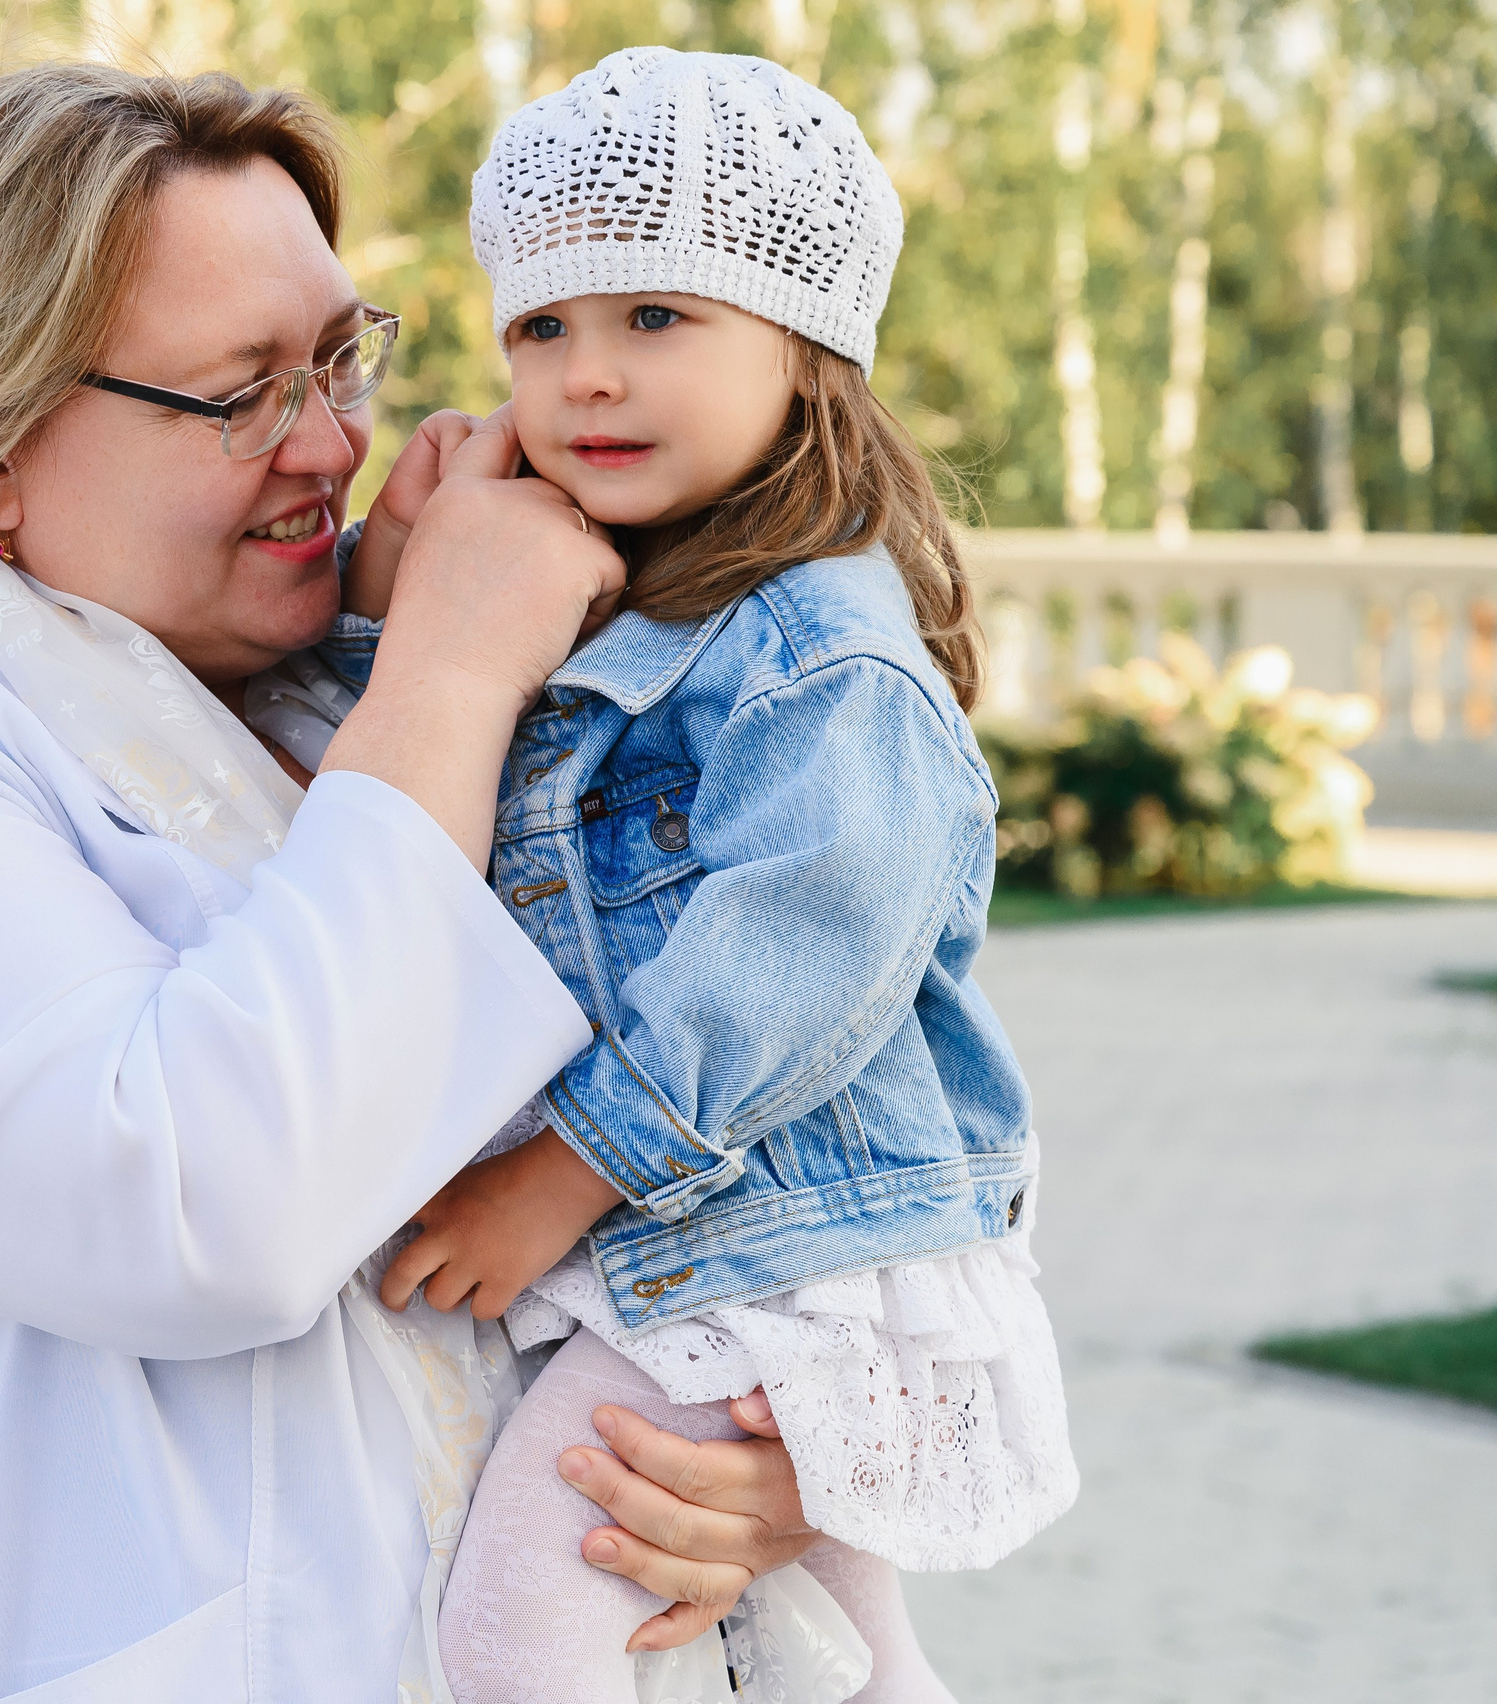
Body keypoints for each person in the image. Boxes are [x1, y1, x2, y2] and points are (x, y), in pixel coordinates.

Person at [0, 62, 820, 1701]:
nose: (337, 443)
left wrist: (760, 1463)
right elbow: (209, 1212)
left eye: (342, 360)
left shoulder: (350, 726)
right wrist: (451, 669)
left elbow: (798, 1096)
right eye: (242, 390)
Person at [336, 48, 1080, 1704]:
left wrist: (565, 1175)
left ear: (810, 356)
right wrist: (409, 573)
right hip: (753, 1239)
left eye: (656, 318)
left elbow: (807, 944)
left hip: (777, 1247)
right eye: (544, 327)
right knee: (851, 1656)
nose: (586, 378)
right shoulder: (646, 608)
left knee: (530, 1629)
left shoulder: (819, 650)